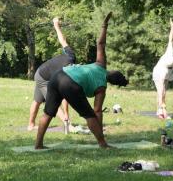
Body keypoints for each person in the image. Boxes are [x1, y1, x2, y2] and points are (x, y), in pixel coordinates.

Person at [35, 12, 128, 149]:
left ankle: (38, 144)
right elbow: (97, 112)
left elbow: (100, 43)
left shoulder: (100, 64)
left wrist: (104, 25)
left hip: (57, 76)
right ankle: (103, 144)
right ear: (112, 83)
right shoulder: (102, 88)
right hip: (70, 83)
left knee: (48, 113)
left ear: (113, 71)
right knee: (89, 115)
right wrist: (100, 130)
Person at [28, 17, 75, 131]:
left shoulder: (70, 55)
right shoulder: (66, 71)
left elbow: (62, 40)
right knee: (52, 102)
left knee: (37, 100)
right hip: (43, 77)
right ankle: (67, 125)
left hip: (42, 72)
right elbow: (63, 97)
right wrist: (66, 119)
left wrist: (56, 25)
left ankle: (31, 125)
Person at [152, 18, 173, 119]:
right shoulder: (163, 71)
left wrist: (172, 26)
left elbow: (170, 39)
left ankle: (161, 109)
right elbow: (161, 89)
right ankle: (160, 111)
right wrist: (163, 105)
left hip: (167, 74)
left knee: (164, 92)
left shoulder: (169, 53)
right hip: (157, 73)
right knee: (160, 91)